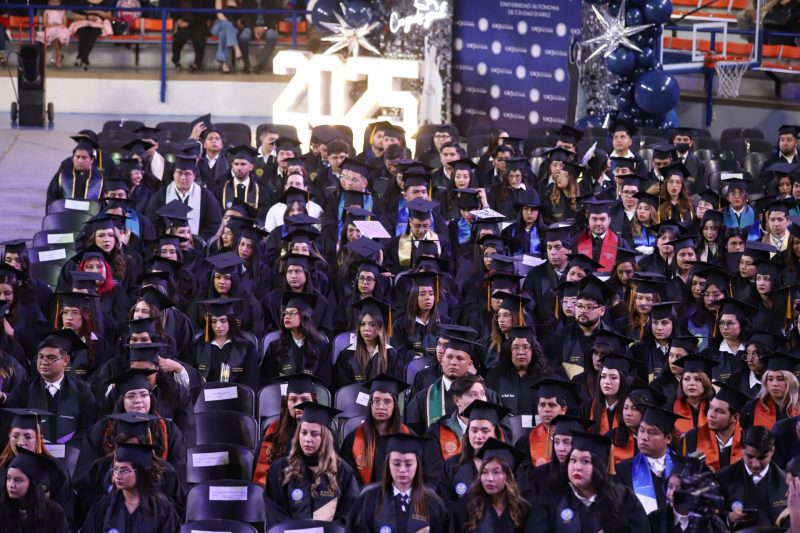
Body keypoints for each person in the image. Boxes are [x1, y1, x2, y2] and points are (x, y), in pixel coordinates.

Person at [534, 431, 650, 532]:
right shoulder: (552, 496)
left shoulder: (623, 498)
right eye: (573, 460)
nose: (577, 467)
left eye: (585, 461)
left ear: (599, 467)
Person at [264, 403, 359, 526]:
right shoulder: (280, 469)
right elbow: (274, 511)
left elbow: (350, 513)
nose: (307, 439)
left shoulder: (342, 471)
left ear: (325, 438)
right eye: (303, 433)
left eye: (314, 434)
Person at [0, 330, 98, 447]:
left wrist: (70, 449)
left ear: (66, 360)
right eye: (40, 357)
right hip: (32, 452)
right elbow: (9, 424)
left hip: (71, 453)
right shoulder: (23, 390)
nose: (44, 362)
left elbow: (88, 427)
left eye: (51, 358)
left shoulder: (82, 391)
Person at [346, 433, 448, 532]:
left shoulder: (433, 503)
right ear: (388, 464)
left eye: (408, 464)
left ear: (418, 465)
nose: (402, 470)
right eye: (396, 463)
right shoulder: (369, 499)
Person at [81, 443, 180, 532]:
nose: (117, 475)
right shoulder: (103, 506)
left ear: (141, 472)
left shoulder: (162, 508)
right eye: (115, 469)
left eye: (124, 470)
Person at [445, 438, 531, 532]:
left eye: (496, 472)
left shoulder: (522, 509)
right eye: (484, 472)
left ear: (509, 475)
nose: (489, 479)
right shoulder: (465, 507)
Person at [340, 374, 413, 486]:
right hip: (364, 495)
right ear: (371, 404)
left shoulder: (409, 437)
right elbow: (349, 481)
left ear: (395, 405)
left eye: (387, 402)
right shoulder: (353, 440)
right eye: (376, 401)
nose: (381, 407)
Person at [616, 404, 686, 516]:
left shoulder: (683, 469)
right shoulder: (623, 470)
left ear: (668, 438)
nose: (644, 437)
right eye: (641, 430)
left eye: (652, 432)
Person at [717, 425, 788, 530]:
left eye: (762, 458)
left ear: (772, 451)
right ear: (741, 450)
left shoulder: (786, 483)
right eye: (750, 456)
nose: (755, 465)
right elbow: (714, 517)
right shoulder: (723, 478)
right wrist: (729, 518)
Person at [253, 374, 319, 486]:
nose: (298, 404)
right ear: (286, 402)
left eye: (305, 399)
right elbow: (263, 476)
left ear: (313, 401)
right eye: (293, 400)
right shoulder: (274, 431)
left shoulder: (324, 433)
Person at [333, 297, 405, 390]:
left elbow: (394, 388)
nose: (366, 329)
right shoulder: (346, 355)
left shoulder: (392, 355)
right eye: (362, 324)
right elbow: (343, 390)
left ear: (380, 327)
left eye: (372, 324)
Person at [146, 157, 223, 242]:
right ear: (173, 174)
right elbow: (151, 222)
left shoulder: (206, 197)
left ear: (194, 175)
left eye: (187, 174)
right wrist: (166, 240)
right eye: (179, 173)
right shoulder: (160, 196)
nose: (183, 177)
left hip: (197, 247)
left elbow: (214, 224)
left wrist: (196, 242)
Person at [260, 292, 331, 385]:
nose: (287, 317)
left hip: (313, 392)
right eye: (285, 314)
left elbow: (325, 379)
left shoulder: (322, 346)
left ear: (304, 316)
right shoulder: (274, 346)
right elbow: (267, 378)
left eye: (292, 313)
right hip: (282, 392)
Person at [190, 297, 259, 390]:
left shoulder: (246, 348)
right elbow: (192, 379)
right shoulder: (198, 347)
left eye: (223, 320)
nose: (218, 326)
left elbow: (251, 382)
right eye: (214, 321)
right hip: (205, 397)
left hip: (238, 397)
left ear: (231, 321)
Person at [681, 380, 748, 472]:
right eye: (710, 408)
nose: (711, 415)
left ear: (735, 417)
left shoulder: (747, 440)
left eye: (719, 411)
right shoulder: (693, 436)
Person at [0, 448, 70, 532]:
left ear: (32, 484)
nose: (11, 485)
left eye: (18, 480)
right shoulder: (2, 508)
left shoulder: (54, 513)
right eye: (8, 478)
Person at [46, 136, 105, 206]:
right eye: (77, 157)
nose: (80, 161)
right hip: (66, 212)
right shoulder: (62, 176)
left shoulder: (99, 179)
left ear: (91, 160)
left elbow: (103, 204)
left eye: (84, 158)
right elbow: (52, 201)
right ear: (73, 158)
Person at [68, 0, 113, 70]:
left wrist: (97, 11)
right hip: (82, 22)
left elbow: (109, 16)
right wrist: (87, 17)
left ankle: (80, 57)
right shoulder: (80, 1)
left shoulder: (105, 1)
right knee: (83, 32)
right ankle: (84, 59)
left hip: (97, 23)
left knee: (93, 33)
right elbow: (73, 15)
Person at [170, 0, 209, 72]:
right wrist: (178, 20)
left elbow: (204, 15)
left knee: (198, 37)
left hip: (199, 24)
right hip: (183, 23)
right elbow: (173, 12)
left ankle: (197, 63)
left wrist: (188, 23)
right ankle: (176, 60)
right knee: (180, 36)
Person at [35, 0, 71, 68]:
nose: (55, 4)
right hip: (50, 28)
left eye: (57, 2)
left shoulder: (63, 11)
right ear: (49, 3)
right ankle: (59, 56)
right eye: (53, 2)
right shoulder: (46, 11)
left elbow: (65, 24)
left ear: (60, 3)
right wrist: (53, 25)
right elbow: (45, 24)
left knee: (65, 35)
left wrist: (58, 25)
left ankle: (57, 55)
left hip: (61, 28)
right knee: (54, 36)